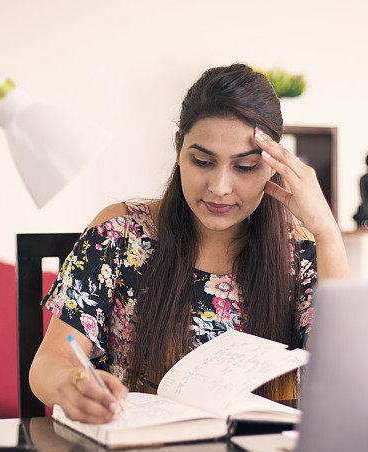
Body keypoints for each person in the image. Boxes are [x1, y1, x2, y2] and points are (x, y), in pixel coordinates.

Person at [29, 63, 351, 424]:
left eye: (245, 166)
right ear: (178, 149)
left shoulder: (301, 253)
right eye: (202, 161)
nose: (219, 186)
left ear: (274, 165)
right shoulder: (119, 233)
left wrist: (326, 232)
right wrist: (71, 383)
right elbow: (49, 363)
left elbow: (343, 381)